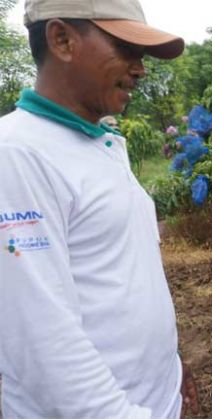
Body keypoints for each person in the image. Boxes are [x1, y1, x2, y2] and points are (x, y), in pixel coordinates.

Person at [0, 0, 198, 417]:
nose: (140, 68)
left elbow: (122, 276)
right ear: (62, 39)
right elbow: (42, 342)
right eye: (126, 49)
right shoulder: (17, 155)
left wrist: (172, 368)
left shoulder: (98, 143)